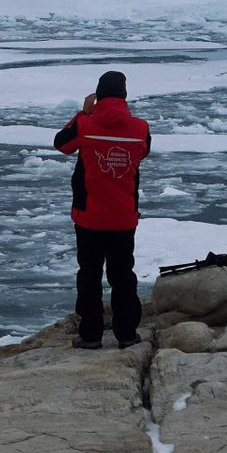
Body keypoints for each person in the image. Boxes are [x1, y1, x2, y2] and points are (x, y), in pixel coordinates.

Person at [53, 70, 150, 349]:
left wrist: (83, 115)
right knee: (123, 274)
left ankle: (91, 335)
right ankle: (127, 333)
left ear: (98, 95)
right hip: (123, 217)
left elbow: (62, 144)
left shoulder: (86, 124)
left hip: (89, 217)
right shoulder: (140, 128)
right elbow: (142, 152)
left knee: (89, 274)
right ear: (124, 95)